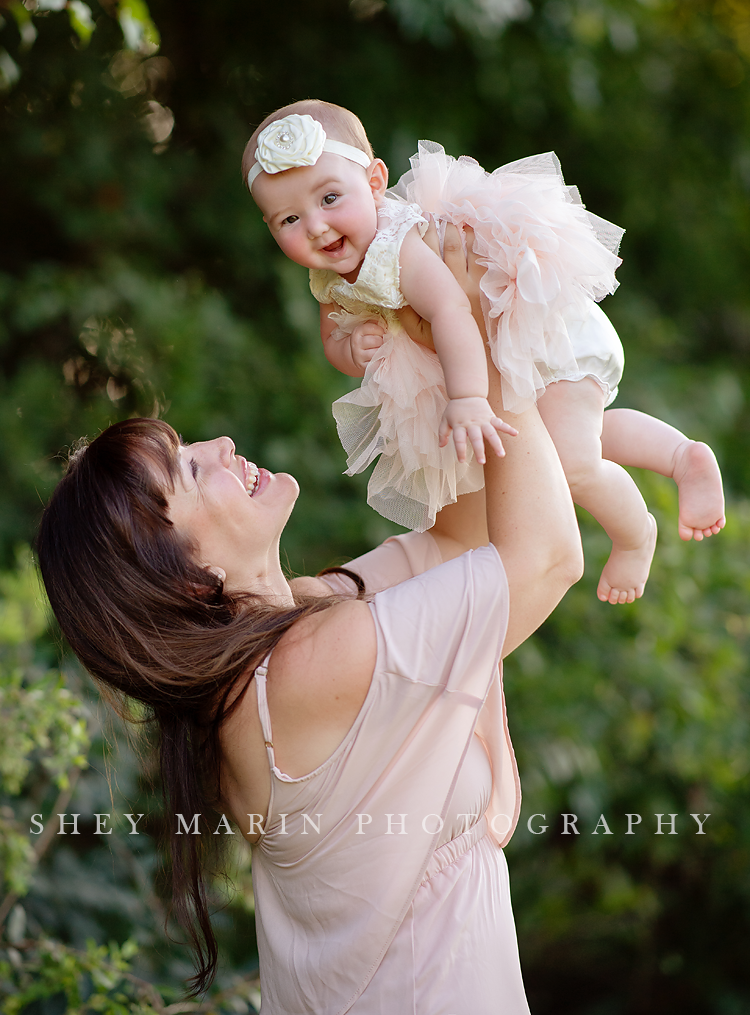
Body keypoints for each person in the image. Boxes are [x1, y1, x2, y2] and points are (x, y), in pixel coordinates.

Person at [37, 229, 583, 1014]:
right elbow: (544, 559)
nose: (223, 445)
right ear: (187, 576)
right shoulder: (311, 667)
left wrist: (420, 344)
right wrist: (488, 335)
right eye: (193, 469)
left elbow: (456, 543)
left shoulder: (293, 640)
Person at [245, 99, 725, 604]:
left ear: (374, 181)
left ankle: (634, 535)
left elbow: (453, 308)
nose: (316, 227)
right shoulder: (326, 275)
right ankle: (678, 453)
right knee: (577, 434)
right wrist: (351, 347)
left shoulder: (397, 244)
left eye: (330, 198)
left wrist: (470, 398)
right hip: (494, 354)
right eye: (290, 219)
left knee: (568, 456)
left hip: (538, 339)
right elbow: (333, 339)